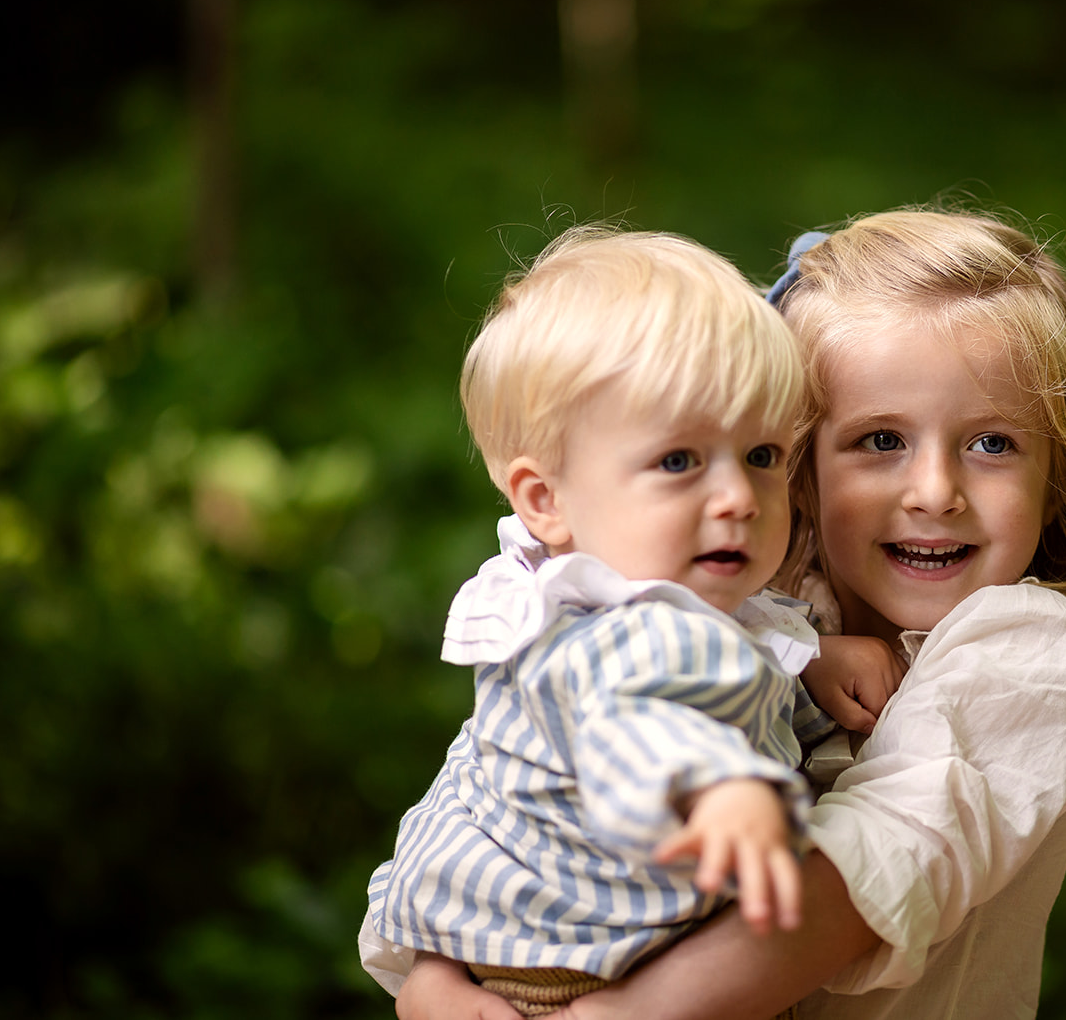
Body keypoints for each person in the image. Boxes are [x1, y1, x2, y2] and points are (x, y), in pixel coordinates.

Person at [391, 206, 1066, 1019]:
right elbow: (505, 788)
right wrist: (435, 979)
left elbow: (871, 868)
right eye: (879, 441)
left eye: (992, 444)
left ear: (1056, 478)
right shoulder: (747, 604)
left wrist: (627, 1015)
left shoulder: (1025, 648)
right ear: (799, 468)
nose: (935, 492)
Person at [359, 227, 858, 1019]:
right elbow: (638, 721)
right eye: (679, 461)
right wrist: (717, 784)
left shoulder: (641, 597)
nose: (737, 497)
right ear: (545, 499)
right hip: (573, 985)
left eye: (762, 454)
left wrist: (812, 670)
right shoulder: (614, 631)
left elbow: (728, 679)